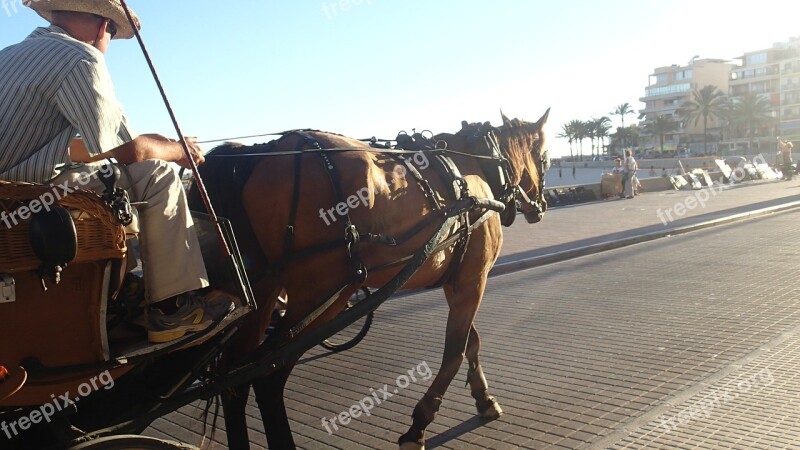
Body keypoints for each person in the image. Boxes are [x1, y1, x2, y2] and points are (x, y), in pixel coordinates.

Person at [0, 0, 235, 343]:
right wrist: (179, 151)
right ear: (101, 26)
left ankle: (127, 282)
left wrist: (160, 142)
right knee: (158, 176)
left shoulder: (9, 55)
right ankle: (170, 312)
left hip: (11, 190)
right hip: (33, 195)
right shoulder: (81, 58)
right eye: (112, 32)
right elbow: (128, 152)